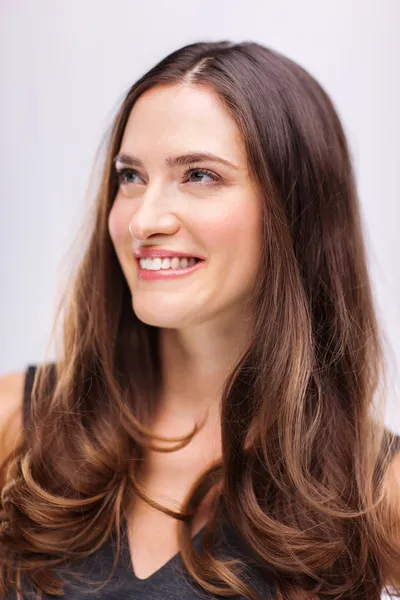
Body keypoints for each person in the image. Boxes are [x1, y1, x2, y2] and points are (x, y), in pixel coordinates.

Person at [0, 40, 399, 600]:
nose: (144, 220)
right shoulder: (16, 424)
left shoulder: (375, 489)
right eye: (131, 176)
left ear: (295, 207)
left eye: (200, 176)